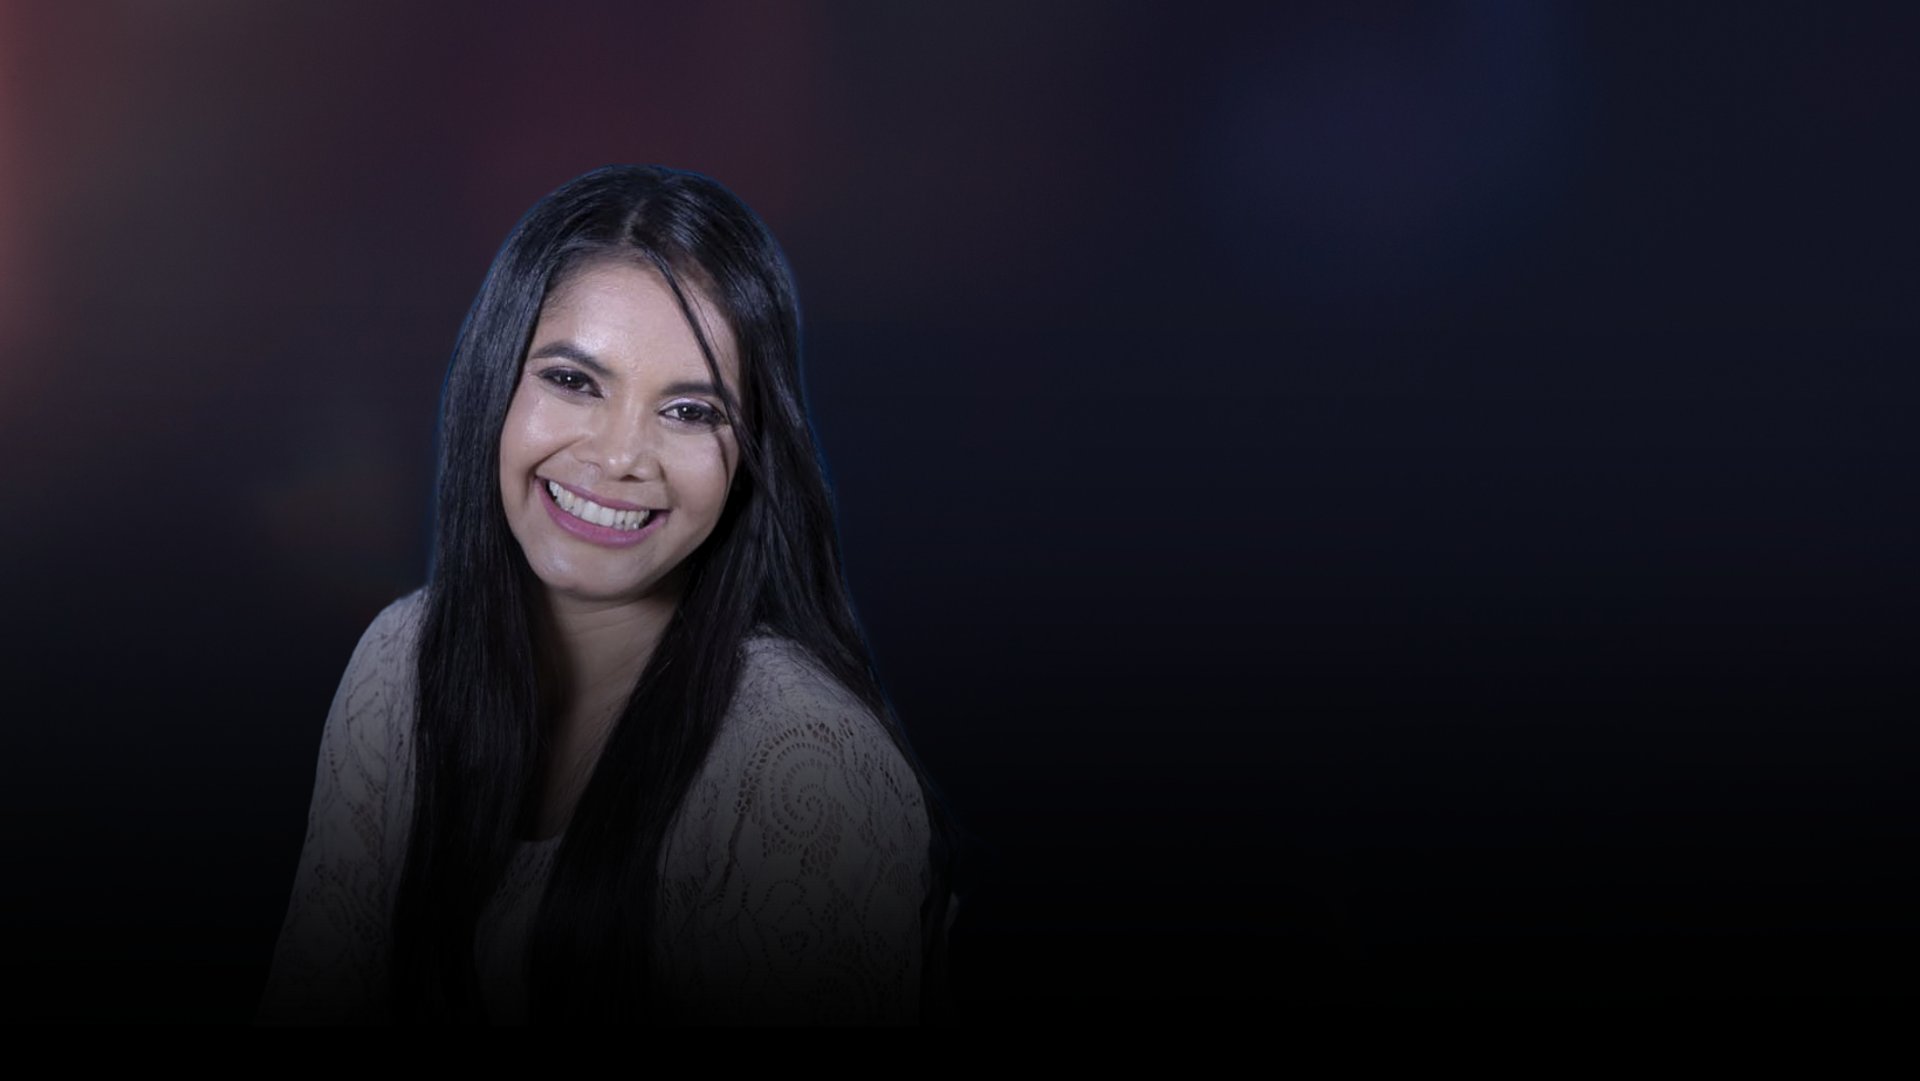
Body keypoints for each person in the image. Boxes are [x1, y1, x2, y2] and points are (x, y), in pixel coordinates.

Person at [257, 164, 956, 1025]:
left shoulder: (803, 768)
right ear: (495, 386)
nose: (621, 456)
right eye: (574, 381)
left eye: (692, 412)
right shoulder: (400, 663)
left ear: (751, 458)